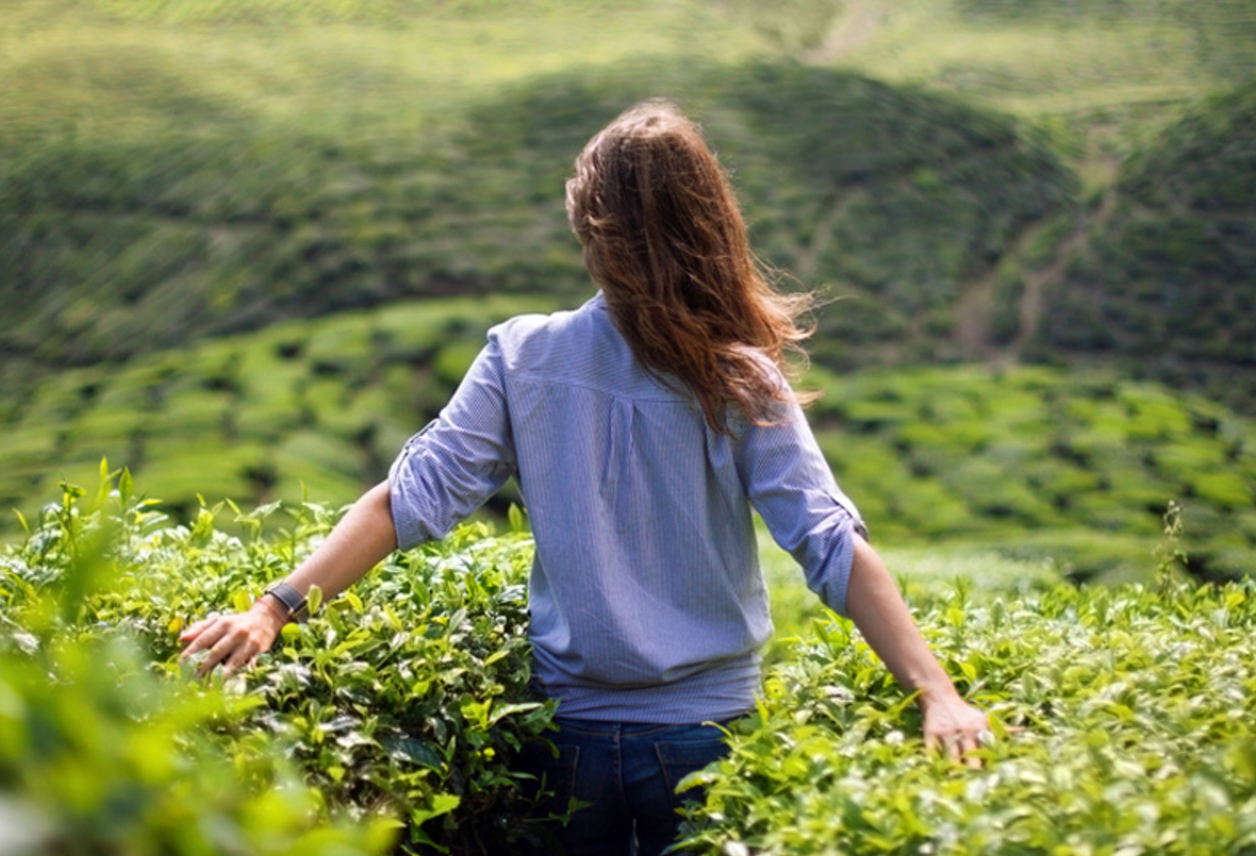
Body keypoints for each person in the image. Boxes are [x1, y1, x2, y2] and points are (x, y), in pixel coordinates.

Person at [179, 100, 991, 854]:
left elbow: (407, 502)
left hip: (564, 740)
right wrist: (935, 692)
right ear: (712, 226)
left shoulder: (523, 356)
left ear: (589, 227)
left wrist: (273, 608)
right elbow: (829, 544)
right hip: (711, 734)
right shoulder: (742, 378)